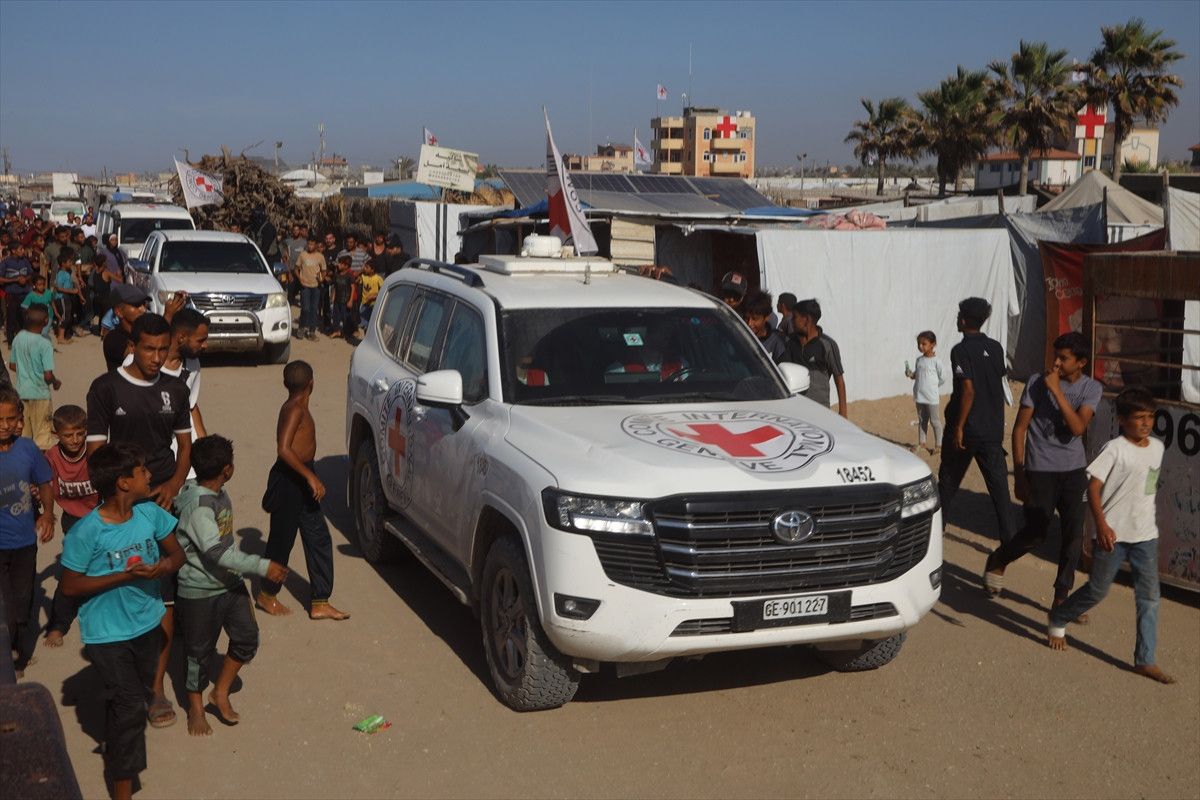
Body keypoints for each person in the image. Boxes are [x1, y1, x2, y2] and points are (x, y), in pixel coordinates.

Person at [59, 442, 184, 800]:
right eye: (142, 471)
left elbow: (177, 555)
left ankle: (115, 728)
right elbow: (69, 586)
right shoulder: (87, 532)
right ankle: (124, 788)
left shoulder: (150, 514)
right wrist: (125, 577)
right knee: (130, 709)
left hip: (148, 624)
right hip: (106, 634)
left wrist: (162, 567)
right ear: (124, 483)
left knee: (130, 697)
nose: (150, 475)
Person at [86, 312, 193, 727]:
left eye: (163, 349)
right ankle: (121, 678)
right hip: (122, 505)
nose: (156, 357)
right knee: (119, 586)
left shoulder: (176, 389)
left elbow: (184, 447)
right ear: (133, 346)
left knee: (162, 592)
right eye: (149, 349)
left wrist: (173, 485)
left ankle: (157, 688)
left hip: (162, 503)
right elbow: (97, 455)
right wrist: (130, 494)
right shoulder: (105, 388)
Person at [1048, 387, 1174, 684]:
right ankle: (1059, 617)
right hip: (1112, 535)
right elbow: (1093, 489)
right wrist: (1101, 526)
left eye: (1150, 417)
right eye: (1138, 417)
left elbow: (1148, 488)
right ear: (1122, 420)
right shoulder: (1114, 449)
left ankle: (1145, 659)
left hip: (1145, 535)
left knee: (1149, 596)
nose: (1145, 423)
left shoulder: (1157, 448)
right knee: (1098, 590)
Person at [174, 435, 288, 735]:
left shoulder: (218, 493)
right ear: (227, 469)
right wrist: (262, 566)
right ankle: (196, 708)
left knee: (247, 637)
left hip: (229, 583)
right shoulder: (199, 506)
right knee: (198, 653)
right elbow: (217, 552)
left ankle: (219, 692)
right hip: (200, 591)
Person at [985, 332, 1103, 601]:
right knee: (1036, 533)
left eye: (1064, 358)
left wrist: (1057, 392)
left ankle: (1061, 598)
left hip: (1074, 471)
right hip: (1040, 470)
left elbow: (1077, 427)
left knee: (1073, 535)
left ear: (1081, 362)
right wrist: (1019, 474)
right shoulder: (1037, 382)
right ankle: (999, 559)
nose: (1056, 363)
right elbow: (1019, 429)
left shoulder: (1091, 389)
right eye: (1055, 356)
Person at [255, 360, 348, 620]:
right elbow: (283, 449)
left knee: (318, 538)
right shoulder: (294, 409)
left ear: (285, 384)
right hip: (291, 481)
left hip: (302, 478)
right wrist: (310, 477)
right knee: (281, 542)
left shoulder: (295, 406)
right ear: (311, 384)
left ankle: (320, 601)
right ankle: (267, 595)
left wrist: (309, 475)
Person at [937, 297, 1015, 547]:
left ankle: (937, 531)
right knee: (1000, 489)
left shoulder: (960, 351)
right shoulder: (996, 348)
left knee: (948, 481)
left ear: (963, 320)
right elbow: (997, 382)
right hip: (992, 428)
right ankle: (1008, 540)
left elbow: (968, 390)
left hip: (968, 428)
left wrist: (959, 427)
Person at [0, 386, 55, 675]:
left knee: (22, 602)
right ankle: (8, 656)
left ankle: (19, 655)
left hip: (24, 543)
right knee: (6, 605)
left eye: (10, 419)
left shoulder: (27, 448)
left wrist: (47, 515)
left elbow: (45, 482)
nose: (5, 425)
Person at [43, 405, 99, 646]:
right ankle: (58, 624)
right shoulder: (51, 457)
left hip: (100, 514)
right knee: (72, 571)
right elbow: (44, 486)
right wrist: (46, 515)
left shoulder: (95, 450)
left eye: (80, 433)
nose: (75, 440)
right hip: (74, 518)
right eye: (68, 435)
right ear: (56, 434)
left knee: (105, 566)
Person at [779, 298, 848, 417]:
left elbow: (839, 379)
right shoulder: (789, 343)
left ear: (806, 320)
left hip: (820, 411)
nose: (791, 321)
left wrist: (843, 412)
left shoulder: (828, 345)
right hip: (794, 410)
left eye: (795, 317)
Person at [8, 303, 61, 450]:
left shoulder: (18, 337)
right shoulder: (45, 343)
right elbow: (47, 375)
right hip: (40, 394)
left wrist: (26, 370)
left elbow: (12, 365)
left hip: (21, 392)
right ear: (46, 320)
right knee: (42, 435)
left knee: (23, 434)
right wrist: (55, 382)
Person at [905, 331, 944, 455]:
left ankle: (939, 445)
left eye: (924, 343)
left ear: (933, 344)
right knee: (922, 420)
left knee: (935, 421)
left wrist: (932, 388)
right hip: (919, 396)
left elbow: (942, 378)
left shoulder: (937, 361)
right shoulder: (919, 360)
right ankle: (922, 443)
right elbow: (917, 375)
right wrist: (910, 374)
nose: (920, 346)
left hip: (932, 398)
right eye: (919, 343)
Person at [101, 283, 150, 371]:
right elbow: (139, 358)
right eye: (136, 305)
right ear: (119, 312)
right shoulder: (113, 339)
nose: (143, 309)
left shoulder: (144, 331)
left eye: (144, 304)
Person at [0, 241, 34, 343]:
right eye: (20, 249)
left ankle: (24, 340)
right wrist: (15, 280)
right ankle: (11, 341)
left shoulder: (25, 261)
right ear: (13, 251)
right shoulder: (5, 263)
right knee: (11, 317)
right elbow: (1, 279)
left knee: (24, 317)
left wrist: (25, 279)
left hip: (24, 293)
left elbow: (30, 274)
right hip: (12, 294)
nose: (23, 251)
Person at [293, 235, 325, 341]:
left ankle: (312, 332)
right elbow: (296, 269)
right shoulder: (303, 255)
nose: (310, 246)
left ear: (316, 245)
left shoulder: (320, 256)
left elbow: (324, 270)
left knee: (314, 309)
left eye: (312, 244)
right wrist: (300, 279)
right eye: (309, 244)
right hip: (305, 286)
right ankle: (301, 328)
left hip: (316, 287)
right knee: (305, 308)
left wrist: (321, 279)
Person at [742, 289, 786, 361]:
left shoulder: (776, 342)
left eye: (755, 319)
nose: (749, 323)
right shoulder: (737, 335)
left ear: (766, 317)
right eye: (746, 318)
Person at [52, 249, 81, 343]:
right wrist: (72, 291)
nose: (71, 263)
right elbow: (59, 288)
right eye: (69, 262)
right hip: (61, 298)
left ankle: (63, 335)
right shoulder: (61, 273)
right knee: (64, 317)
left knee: (67, 316)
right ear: (63, 263)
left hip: (66, 297)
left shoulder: (67, 273)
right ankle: (60, 337)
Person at [21, 274, 56, 339]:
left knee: (44, 332)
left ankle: (47, 344)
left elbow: (52, 303)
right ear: (34, 285)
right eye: (39, 285)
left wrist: (56, 313)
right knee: (38, 333)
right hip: (37, 318)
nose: (42, 286)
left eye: (43, 284)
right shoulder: (31, 295)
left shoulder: (48, 293)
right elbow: (24, 307)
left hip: (48, 317)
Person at [329, 254, 355, 339]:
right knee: (335, 316)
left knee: (345, 317)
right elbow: (335, 286)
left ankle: (347, 332)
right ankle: (336, 331)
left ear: (346, 266)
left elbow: (353, 288)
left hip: (346, 300)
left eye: (341, 264)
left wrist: (350, 300)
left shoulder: (349, 276)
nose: (338, 265)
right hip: (337, 299)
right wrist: (333, 296)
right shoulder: (337, 274)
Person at [358, 258, 383, 328]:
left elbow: (383, 289)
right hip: (365, 303)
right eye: (365, 267)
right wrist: (361, 271)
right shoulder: (363, 276)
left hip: (373, 304)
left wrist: (375, 296)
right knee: (363, 323)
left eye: (367, 267)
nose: (365, 269)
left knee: (371, 323)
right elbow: (356, 278)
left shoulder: (378, 278)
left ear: (372, 269)